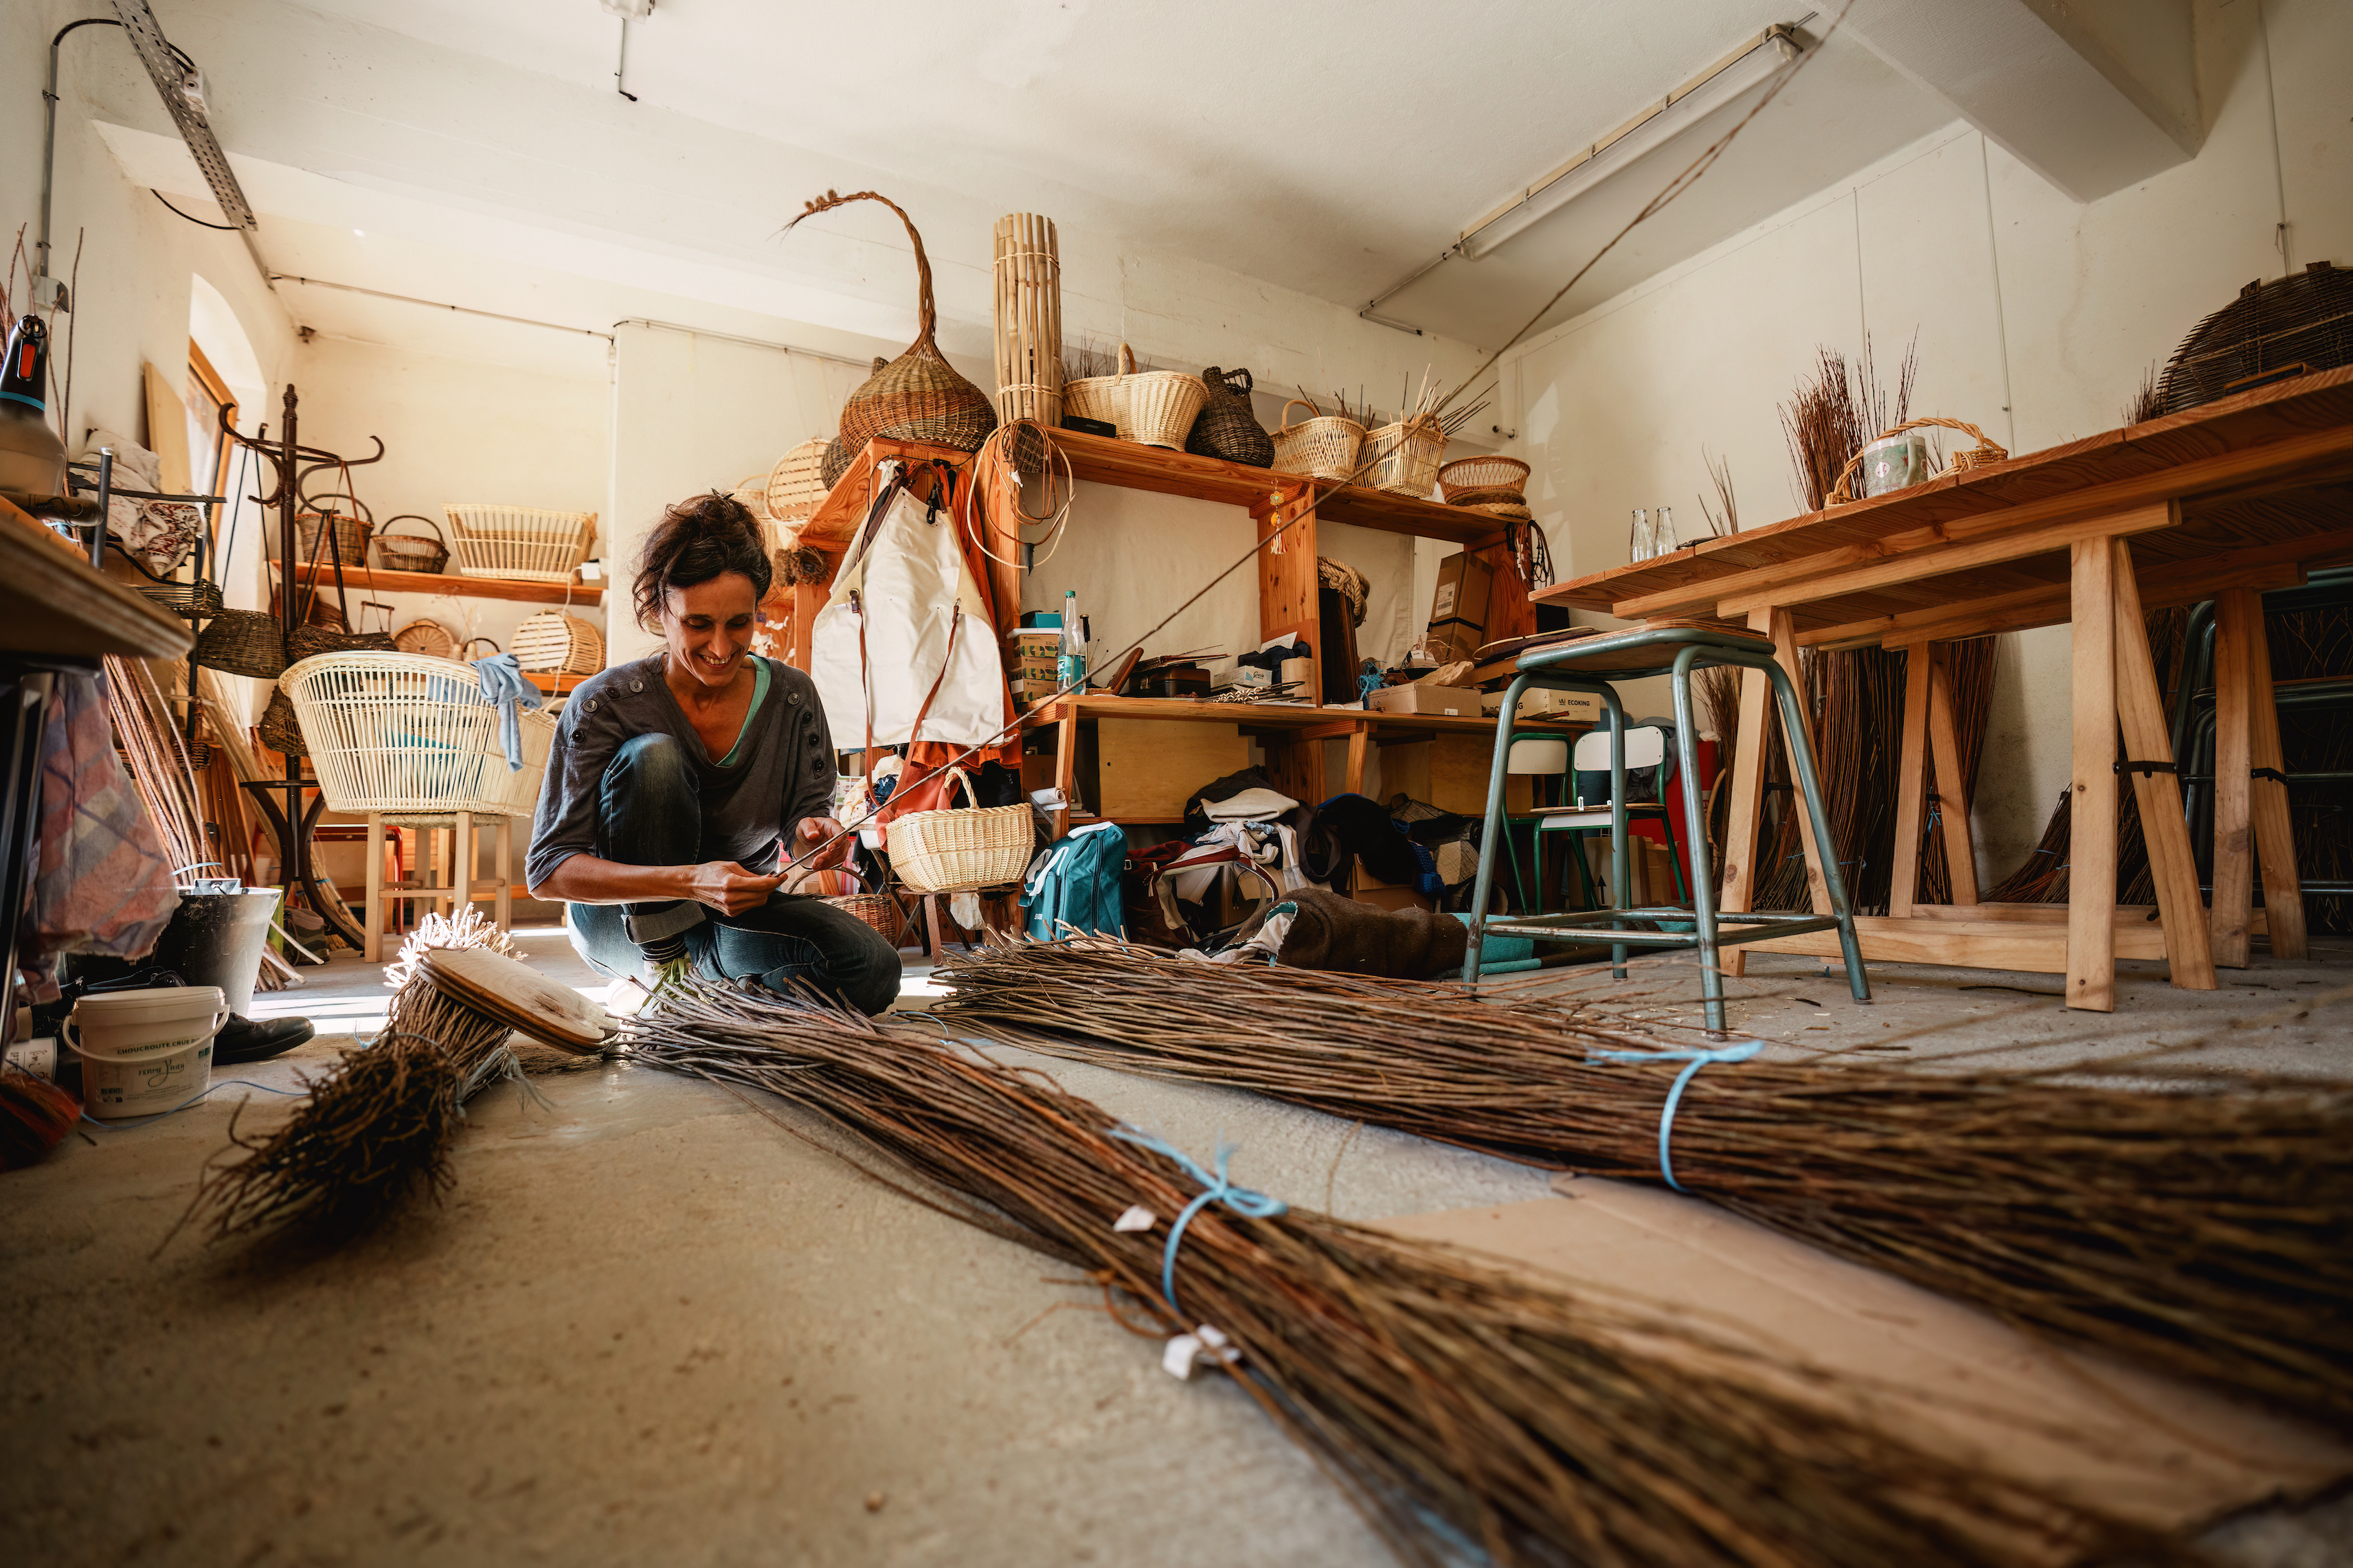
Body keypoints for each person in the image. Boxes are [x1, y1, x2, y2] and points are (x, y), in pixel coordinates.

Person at [526, 492, 899, 1014]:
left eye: (739, 623)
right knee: (654, 759)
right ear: (660, 609)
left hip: (732, 915)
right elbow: (547, 871)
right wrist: (690, 881)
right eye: (698, 624)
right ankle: (665, 973)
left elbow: (804, 818)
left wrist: (815, 832)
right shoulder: (605, 704)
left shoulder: (792, 698)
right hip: (624, 923)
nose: (721, 648)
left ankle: (698, 985)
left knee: (872, 967)